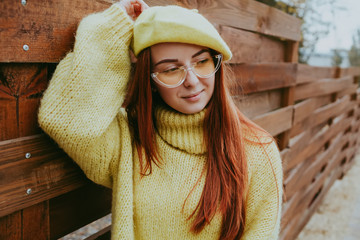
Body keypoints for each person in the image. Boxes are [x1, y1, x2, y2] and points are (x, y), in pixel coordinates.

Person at [38, 0, 283, 239]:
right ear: (151, 82)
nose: (192, 80)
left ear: (216, 62)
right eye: (170, 69)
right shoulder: (129, 140)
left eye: (201, 62)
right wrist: (116, 26)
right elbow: (64, 120)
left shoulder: (257, 149)